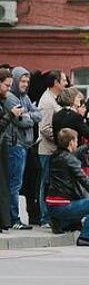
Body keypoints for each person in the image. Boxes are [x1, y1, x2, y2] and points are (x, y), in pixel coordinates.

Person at [45, 128, 89, 246]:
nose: (77, 143)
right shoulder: (70, 160)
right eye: (76, 140)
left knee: (78, 214)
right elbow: (84, 180)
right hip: (64, 205)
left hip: (52, 206)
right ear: (71, 143)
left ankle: (62, 223)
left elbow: (73, 154)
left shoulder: (56, 156)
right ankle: (85, 237)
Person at [4, 66, 42, 229]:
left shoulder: (24, 97)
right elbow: (22, 121)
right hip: (15, 145)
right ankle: (14, 218)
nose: (25, 84)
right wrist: (29, 116)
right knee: (15, 183)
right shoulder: (11, 98)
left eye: (27, 81)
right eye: (23, 81)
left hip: (24, 145)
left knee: (17, 183)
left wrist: (27, 114)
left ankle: (13, 217)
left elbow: (37, 114)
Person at [36, 69, 67, 229]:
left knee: (49, 182)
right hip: (48, 150)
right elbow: (46, 128)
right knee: (46, 183)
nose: (66, 83)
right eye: (63, 80)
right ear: (55, 82)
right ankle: (44, 217)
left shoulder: (54, 99)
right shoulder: (47, 102)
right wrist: (61, 141)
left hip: (53, 149)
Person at [0, 68, 22, 231]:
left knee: (5, 183)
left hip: (4, 146)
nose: (8, 89)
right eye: (6, 85)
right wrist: (10, 115)